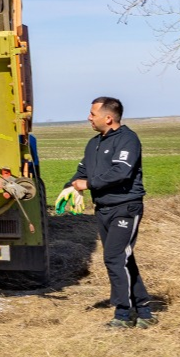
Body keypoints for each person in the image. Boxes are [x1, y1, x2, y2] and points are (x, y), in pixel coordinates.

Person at [71, 96, 154, 330]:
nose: (88, 117)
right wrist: (70, 187)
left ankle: (123, 314)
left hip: (125, 207)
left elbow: (121, 172)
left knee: (114, 258)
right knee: (124, 259)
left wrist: (88, 185)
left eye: (92, 114)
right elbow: (82, 171)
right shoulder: (93, 143)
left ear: (108, 118)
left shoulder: (128, 140)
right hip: (103, 208)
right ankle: (145, 311)